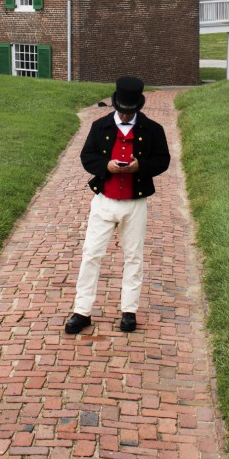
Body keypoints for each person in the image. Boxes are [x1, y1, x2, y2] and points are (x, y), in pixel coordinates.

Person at [64, 75, 171, 334]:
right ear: (115, 105)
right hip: (104, 202)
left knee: (134, 257)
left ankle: (129, 311)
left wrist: (140, 167)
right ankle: (82, 311)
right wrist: (106, 167)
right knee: (91, 254)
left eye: (129, 112)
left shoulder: (153, 129)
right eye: (121, 111)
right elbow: (86, 156)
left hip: (135, 204)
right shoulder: (100, 126)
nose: (124, 116)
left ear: (137, 107)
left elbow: (163, 160)